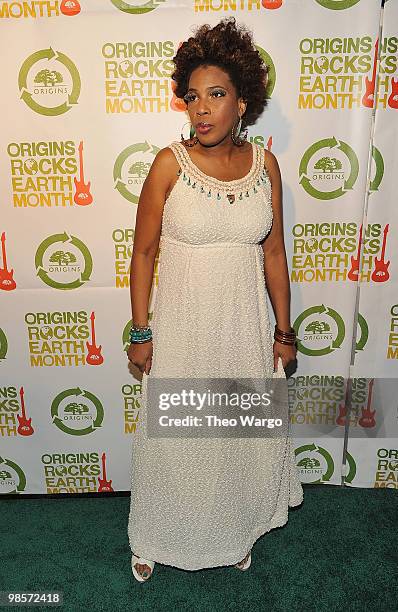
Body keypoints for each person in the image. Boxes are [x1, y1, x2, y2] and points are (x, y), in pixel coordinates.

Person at [126, 16, 304, 582]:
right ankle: (153, 534)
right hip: (182, 327)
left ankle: (233, 528)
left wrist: (283, 332)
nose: (201, 109)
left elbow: (274, 255)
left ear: (243, 103)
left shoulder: (266, 167)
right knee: (174, 441)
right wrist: (139, 331)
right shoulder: (167, 165)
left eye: (216, 95)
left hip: (243, 327)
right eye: (193, 97)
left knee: (233, 438)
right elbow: (143, 254)